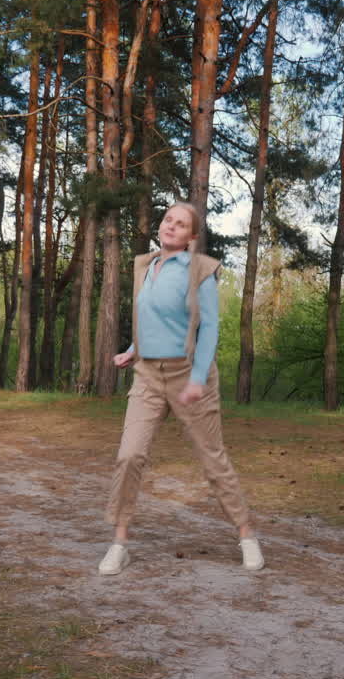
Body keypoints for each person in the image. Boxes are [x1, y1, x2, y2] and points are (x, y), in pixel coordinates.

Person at [98, 203, 264, 576]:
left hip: (191, 375)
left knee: (212, 459)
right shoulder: (144, 265)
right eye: (168, 219)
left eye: (181, 224)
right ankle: (119, 543)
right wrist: (130, 351)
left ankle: (246, 535)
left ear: (191, 238)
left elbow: (210, 330)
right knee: (129, 456)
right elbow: (149, 318)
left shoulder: (200, 270)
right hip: (147, 376)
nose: (171, 226)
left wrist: (196, 378)